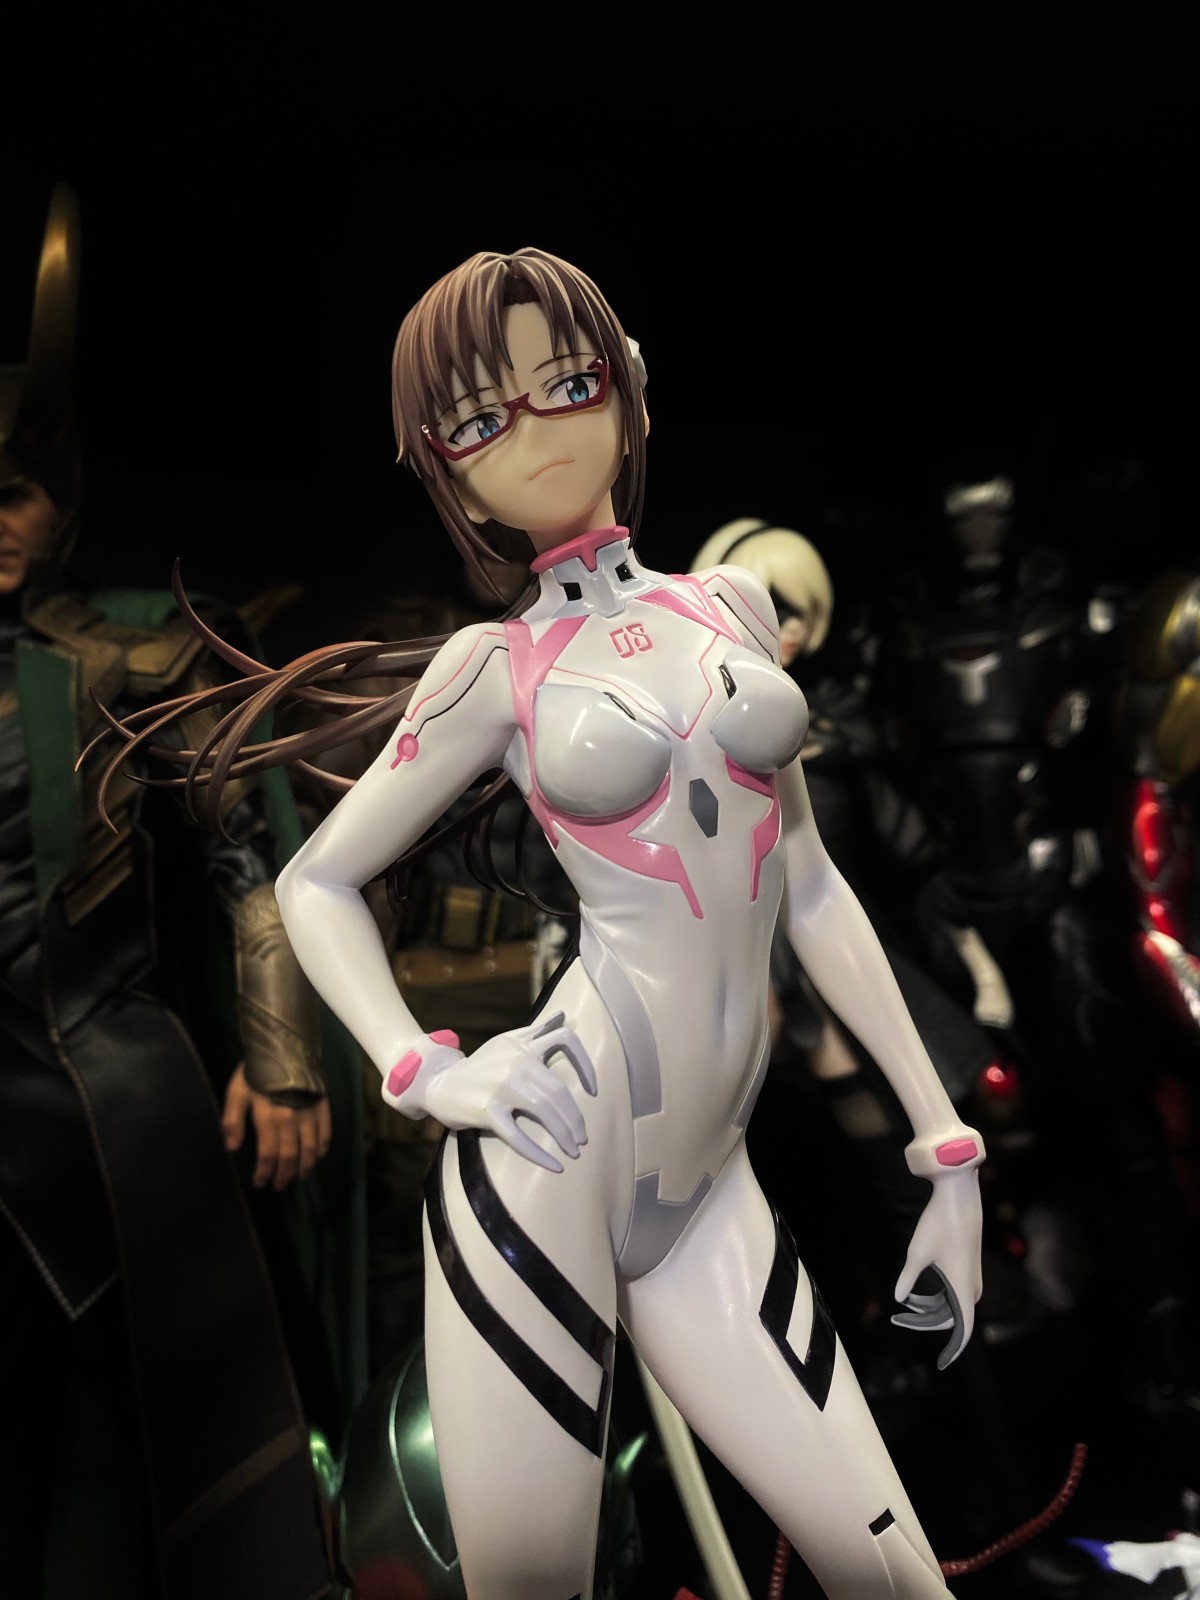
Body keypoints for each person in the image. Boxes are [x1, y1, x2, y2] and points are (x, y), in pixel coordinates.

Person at [95, 247, 985, 1599]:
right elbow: (313, 884)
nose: (535, 430)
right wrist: (425, 1068)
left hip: (711, 1186)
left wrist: (945, 1146)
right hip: (547, 1170)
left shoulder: (729, 609)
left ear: (630, 388)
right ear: (445, 473)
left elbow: (809, 883)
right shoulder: (493, 671)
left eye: (567, 383)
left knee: (898, 1578)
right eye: (476, 417)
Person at [2, 183, 359, 1599]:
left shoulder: (131, 658)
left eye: (16, 491)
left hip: (114, 1096)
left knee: (163, 1458)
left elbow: (244, 859)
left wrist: (279, 1059)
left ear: (60, 497)